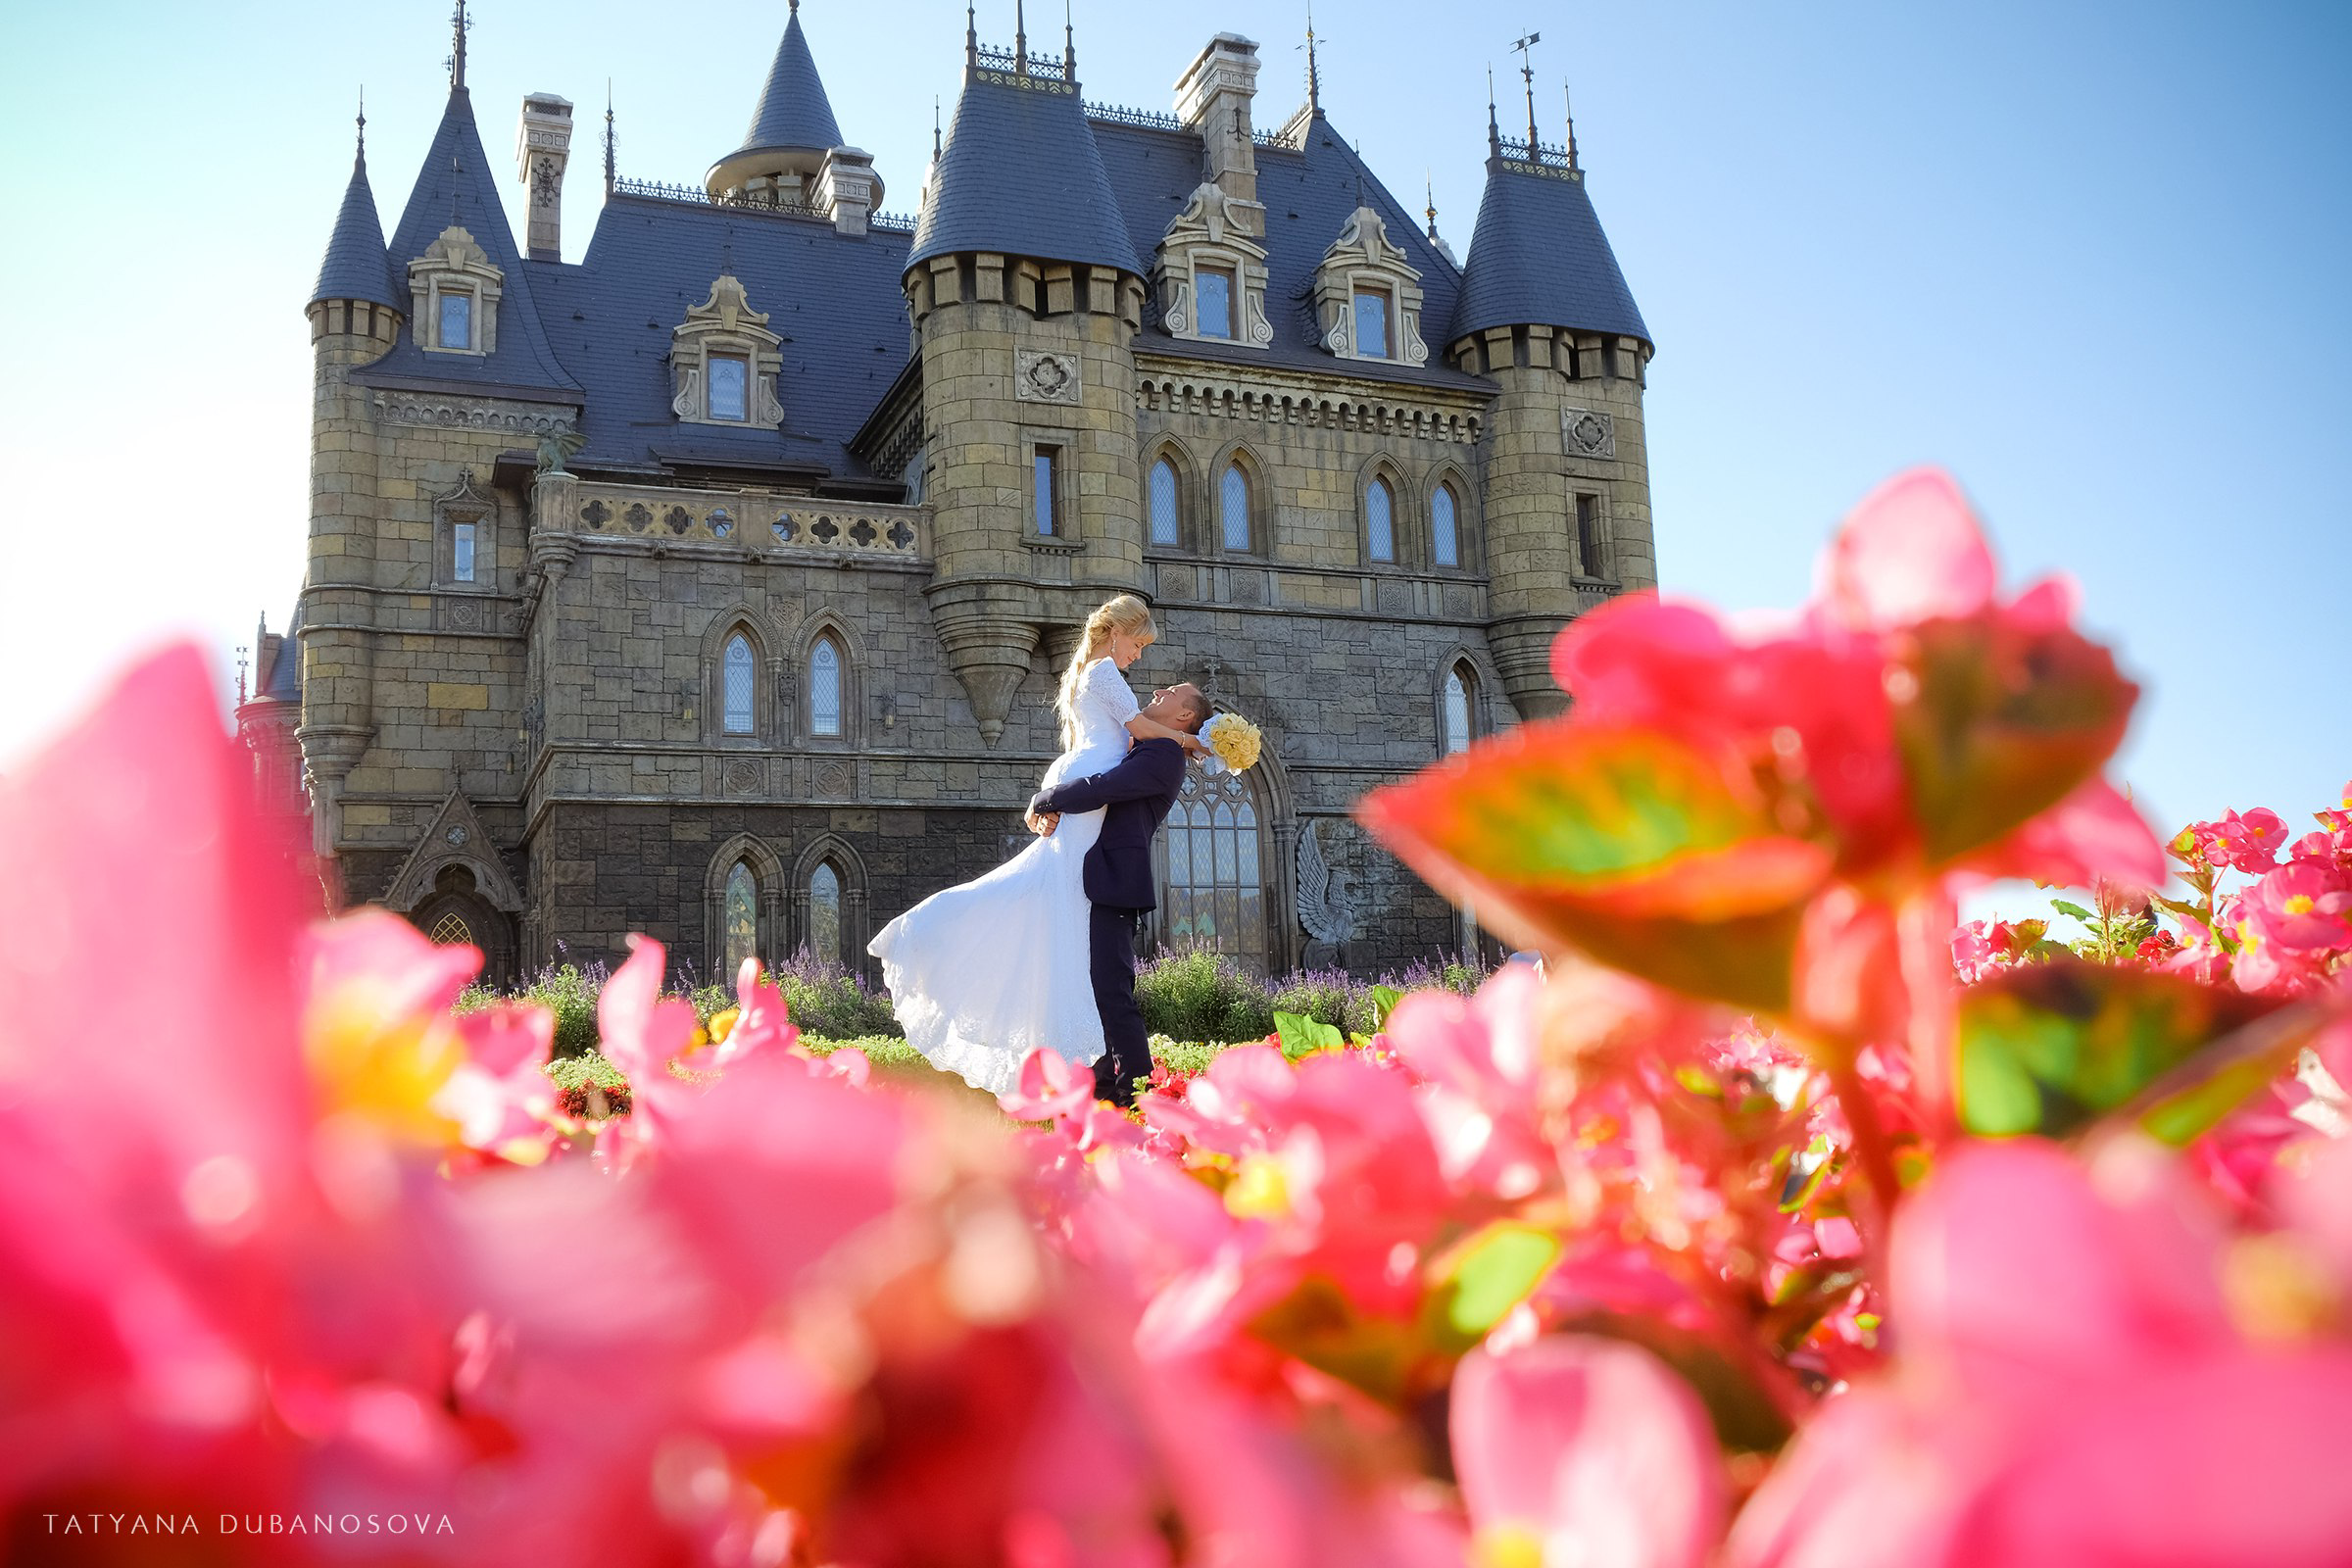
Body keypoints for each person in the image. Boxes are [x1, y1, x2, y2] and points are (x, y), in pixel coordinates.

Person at [867, 595, 1206, 1095]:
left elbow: (1132, 743)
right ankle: (1116, 1081)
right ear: (1116, 634)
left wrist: (1183, 740)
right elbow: (1134, 729)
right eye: (1137, 644)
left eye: (1141, 649)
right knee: (1075, 924)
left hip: (1086, 798)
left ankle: (1103, 1076)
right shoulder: (1109, 676)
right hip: (1085, 795)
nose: (1140, 659)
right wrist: (1188, 741)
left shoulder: (1106, 683)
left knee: (1060, 914)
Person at [1022, 677, 1211, 1105]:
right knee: (1095, 991)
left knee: (1112, 992)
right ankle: (1104, 1093)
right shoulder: (1146, 743)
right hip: (1098, 880)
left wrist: (1045, 798)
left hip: (1115, 883)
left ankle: (1139, 1097)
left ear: (1185, 715)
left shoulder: (1163, 753)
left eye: (1172, 693)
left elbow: (1106, 789)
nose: (1160, 690)